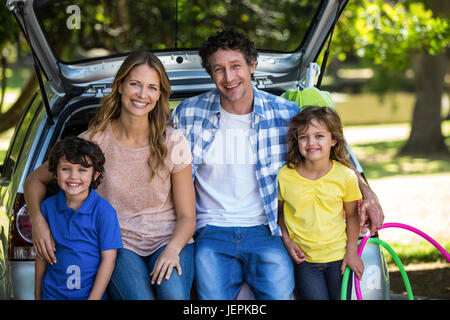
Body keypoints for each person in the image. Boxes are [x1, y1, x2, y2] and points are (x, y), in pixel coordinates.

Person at [171, 28, 383, 300]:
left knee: (280, 295)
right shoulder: (188, 113)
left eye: (236, 66)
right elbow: (158, 159)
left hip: (267, 229)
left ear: (252, 65)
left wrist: (366, 192)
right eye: (219, 69)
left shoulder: (285, 114)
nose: (228, 77)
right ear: (211, 74)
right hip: (211, 231)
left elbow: (331, 157)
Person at [25, 51, 196, 300]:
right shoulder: (95, 141)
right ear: (120, 86)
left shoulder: (173, 142)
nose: (142, 95)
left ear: (160, 95)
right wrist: (38, 222)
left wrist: (172, 249)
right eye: (135, 84)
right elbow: (34, 181)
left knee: (174, 297)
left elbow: (188, 217)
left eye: (152, 88)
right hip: (119, 244)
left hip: (168, 240)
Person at [277, 106, 364, 300]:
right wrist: (287, 240)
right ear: (296, 140)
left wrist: (352, 252)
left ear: (333, 140)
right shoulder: (284, 176)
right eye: (303, 137)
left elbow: (352, 216)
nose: (311, 142)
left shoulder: (346, 176)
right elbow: (279, 213)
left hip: (339, 259)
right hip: (305, 261)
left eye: (319, 136)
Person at [34, 136, 123, 300]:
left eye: (82, 170)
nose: (73, 176)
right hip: (52, 296)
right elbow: (41, 256)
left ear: (95, 175)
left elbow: (108, 261)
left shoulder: (104, 212)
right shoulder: (47, 208)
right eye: (65, 169)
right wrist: (37, 296)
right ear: (54, 173)